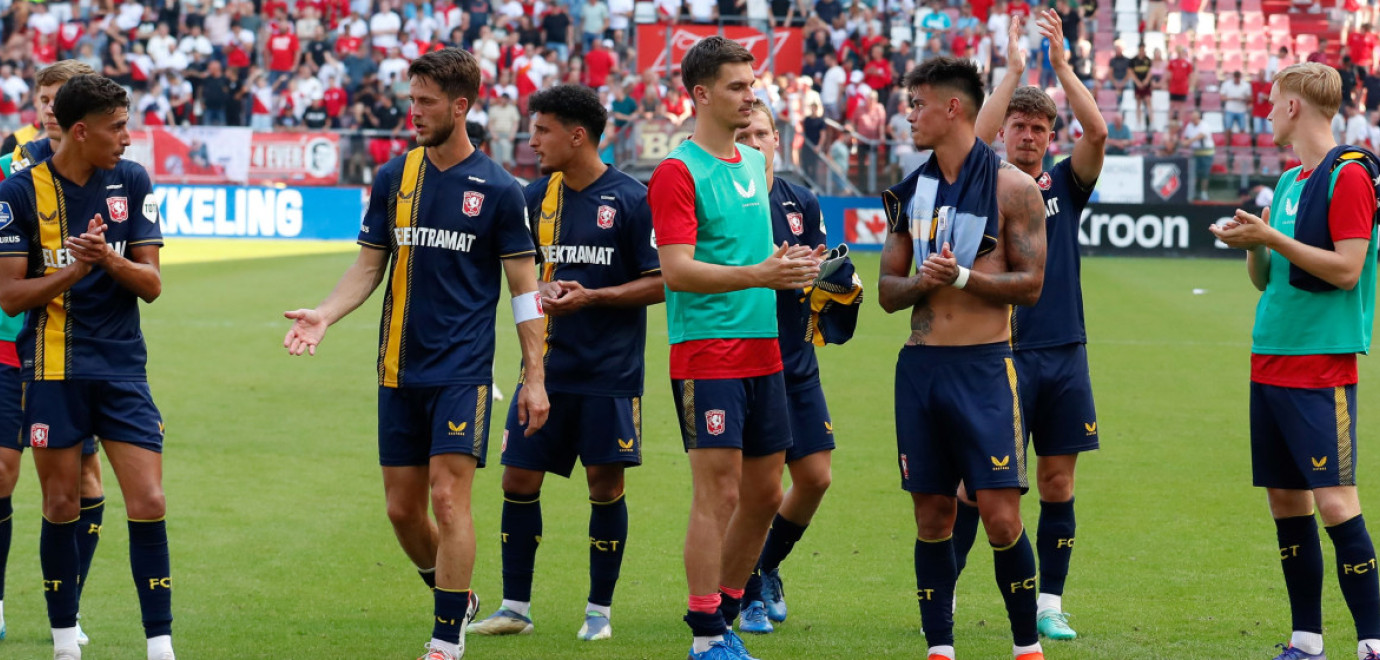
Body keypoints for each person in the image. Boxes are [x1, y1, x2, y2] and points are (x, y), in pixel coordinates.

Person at [282, 48, 551, 660]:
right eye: (411, 99)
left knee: (449, 497)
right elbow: (368, 266)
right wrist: (325, 313)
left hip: (462, 371)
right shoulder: (393, 177)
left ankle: (446, 639)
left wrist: (534, 378)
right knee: (403, 511)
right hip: (397, 368)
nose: (414, 112)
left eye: (426, 102)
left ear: (461, 106)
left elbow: (526, 295)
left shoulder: (502, 191)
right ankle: (455, 597)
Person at [645, 35, 824, 660]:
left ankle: (721, 609)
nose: (752, 96)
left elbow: (754, 260)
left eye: (753, 85)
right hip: (706, 349)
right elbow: (677, 271)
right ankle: (706, 637)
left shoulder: (755, 165)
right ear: (701, 94)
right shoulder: (676, 172)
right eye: (738, 87)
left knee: (766, 493)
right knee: (717, 492)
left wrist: (788, 264)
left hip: (764, 348)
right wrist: (760, 275)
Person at [464, 84, 662, 642]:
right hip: (544, 369)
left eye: (543, 130)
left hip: (610, 374)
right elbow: (514, 273)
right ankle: (515, 608)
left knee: (604, 485)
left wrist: (594, 296)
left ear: (578, 135)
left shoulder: (631, 198)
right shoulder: (532, 199)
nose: (532, 142)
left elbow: (662, 280)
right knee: (518, 478)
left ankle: (598, 613)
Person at [1209, 61, 1380, 660]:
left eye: (1272, 102)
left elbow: (1346, 269)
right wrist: (1247, 245)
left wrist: (1272, 239)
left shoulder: (1350, 177)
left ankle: (1372, 642)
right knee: (1286, 503)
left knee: (1336, 502)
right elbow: (1268, 280)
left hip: (1321, 364)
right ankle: (1307, 641)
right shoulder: (1286, 183)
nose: (1266, 113)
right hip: (1270, 360)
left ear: (1293, 108)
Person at [877, 55, 1046, 660]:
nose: (910, 115)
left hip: (984, 368)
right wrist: (926, 282)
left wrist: (964, 275)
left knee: (1001, 518)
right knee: (932, 517)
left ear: (953, 108)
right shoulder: (907, 192)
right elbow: (887, 295)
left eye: (918, 103)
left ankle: (1027, 646)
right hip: (921, 371)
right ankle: (940, 648)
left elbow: (1030, 285)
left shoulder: (1015, 188)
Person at [0, 74, 170, 660]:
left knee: (148, 501)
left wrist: (107, 259)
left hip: (123, 366)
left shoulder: (133, 179)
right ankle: (65, 641)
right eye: (117, 127)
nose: (127, 137)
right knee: (60, 504)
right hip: (50, 368)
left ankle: (160, 646)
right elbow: (11, 297)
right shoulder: (20, 192)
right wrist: (75, 270)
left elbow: (151, 284)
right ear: (81, 130)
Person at [959, 9, 1106, 643]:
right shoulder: (986, 177)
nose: (1028, 135)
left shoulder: (1064, 185)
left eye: (1039, 127)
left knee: (1057, 480)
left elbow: (1096, 132)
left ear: (1050, 134)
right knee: (979, 487)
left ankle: (1050, 602)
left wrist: (1066, 70)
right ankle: (948, 592)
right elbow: (969, 137)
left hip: (1064, 351)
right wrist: (1015, 69)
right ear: (1005, 132)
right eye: (1019, 125)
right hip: (1002, 353)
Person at [0, 58, 107, 649]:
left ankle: (68, 603)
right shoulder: (12, 166)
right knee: (3, 472)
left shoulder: (103, 172)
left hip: (73, 349)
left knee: (85, 483)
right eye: (43, 96)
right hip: (10, 339)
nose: (49, 106)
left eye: (60, 96)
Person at [731, 99, 835, 635]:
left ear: (778, 141)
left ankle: (765, 565)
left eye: (761, 135)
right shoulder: (726, 200)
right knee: (759, 489)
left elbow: (815, 272)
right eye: (743, 135)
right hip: (744, 363)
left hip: (797, 359)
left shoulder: (802, 201)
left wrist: (834, 283)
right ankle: (745, 594)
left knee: (815, 478)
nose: (753, 145)